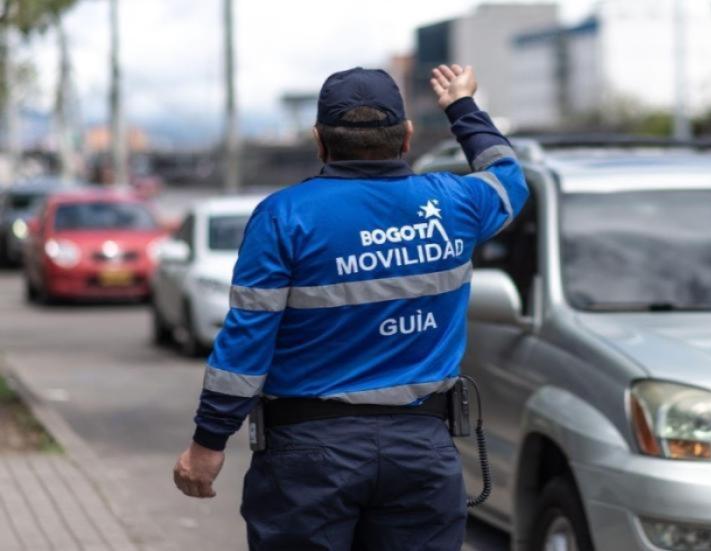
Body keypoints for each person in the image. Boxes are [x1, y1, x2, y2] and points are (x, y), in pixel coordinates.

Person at [172, 64, 528, 550]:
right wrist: (462, 107)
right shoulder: (456, 203)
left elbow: (246, 342)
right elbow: (509, 177)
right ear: (406, 137)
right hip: (421, 453)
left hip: (308, 461)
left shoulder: (284, 216)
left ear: (320, 141)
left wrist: (209, 442)